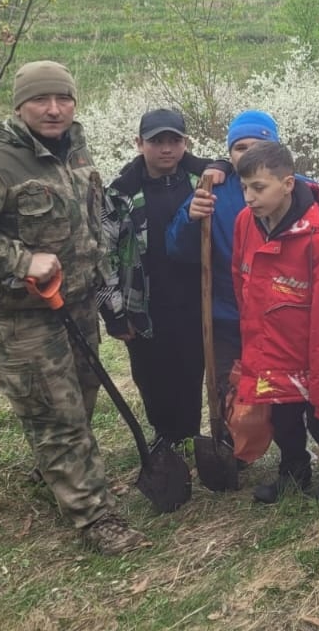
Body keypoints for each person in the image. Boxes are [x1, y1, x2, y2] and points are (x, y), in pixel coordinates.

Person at [0, 60, 148, 555]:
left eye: (63, 99)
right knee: (56, 415)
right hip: (26, 318)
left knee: (81, 404)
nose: (53, 108)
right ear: (20, 106)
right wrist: (19, 260)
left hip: (78, 305)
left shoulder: (73, 149)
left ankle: (62, 479)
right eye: (41, 100)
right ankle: (96, 519)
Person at [231, 140, 319, 504]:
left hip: (306, 347)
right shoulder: (246, 223)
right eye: (244, 188)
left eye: (258, 188)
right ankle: (293, 470)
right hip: (267, 340)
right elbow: (240, 277)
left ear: (288, 184)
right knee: (281, 416)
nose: (248, 198)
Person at [107, 108, 212, 449]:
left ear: (185, 143)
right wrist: (114, 313)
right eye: (156, 141)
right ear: (139, 144)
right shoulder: (121, 193)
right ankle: (165, 437)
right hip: (146, 306)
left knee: (192, 371)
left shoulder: (204, 181)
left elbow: (246, 166)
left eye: (174, 140)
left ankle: (190, 436)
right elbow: (104, 256)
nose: (166, 148)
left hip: (197, 303)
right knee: (151, 376)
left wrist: (220, 166)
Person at [166, 110, 280, 409]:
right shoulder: (211, 191)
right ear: (229, 154)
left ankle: (293, 453)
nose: (249, 154)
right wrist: (191, 219)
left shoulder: (295, 187)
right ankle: (229, 449)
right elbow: (177, 249)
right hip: (229, 318)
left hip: (281, 318)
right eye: (241, 148)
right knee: (229, 392)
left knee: (281, 395)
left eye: (258, 146)